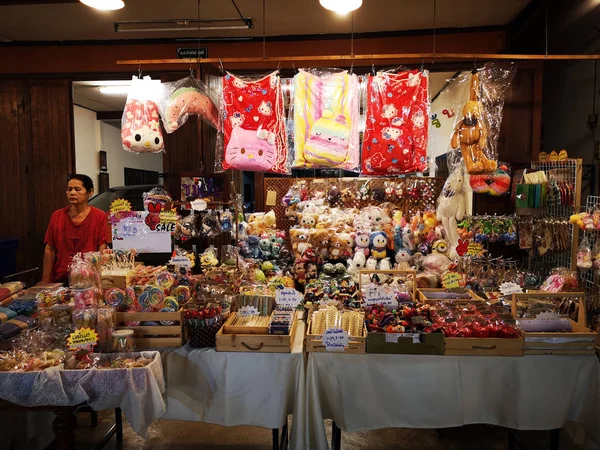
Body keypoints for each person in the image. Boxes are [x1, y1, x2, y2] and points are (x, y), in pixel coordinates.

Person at [42, 174, 109, 283]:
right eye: (69, 189)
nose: (72, 193)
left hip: (88, 279)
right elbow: (50, 249)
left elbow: (102, 248)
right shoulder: (57, 216)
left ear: (90, 192)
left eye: (77, 189)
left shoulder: (99, 216)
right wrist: (45, 279)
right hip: (60, 278)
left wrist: (96, 277)